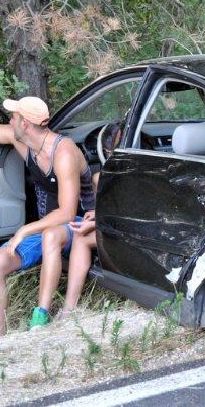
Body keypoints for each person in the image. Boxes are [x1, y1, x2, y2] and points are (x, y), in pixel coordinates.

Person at [0, 96, 95, 335]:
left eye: (13, 117)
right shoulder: (22, 141)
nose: (10, 121)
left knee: (51, 235)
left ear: (25, 124)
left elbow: (66, 213)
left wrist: (24, 230)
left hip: (77, 226)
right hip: (46, 227)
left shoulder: (64, 153)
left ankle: (40, 317)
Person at [35, 121, 121, 320]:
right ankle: (68, 309)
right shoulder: (103, 177)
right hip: (126, 224)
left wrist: (97, 223)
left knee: (81, 238)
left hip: (134, 233)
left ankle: (69, 309)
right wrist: (99, 215)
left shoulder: (120, 176)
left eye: (111, 152)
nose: (109, 157)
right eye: (108, 152)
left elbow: (133, 214)